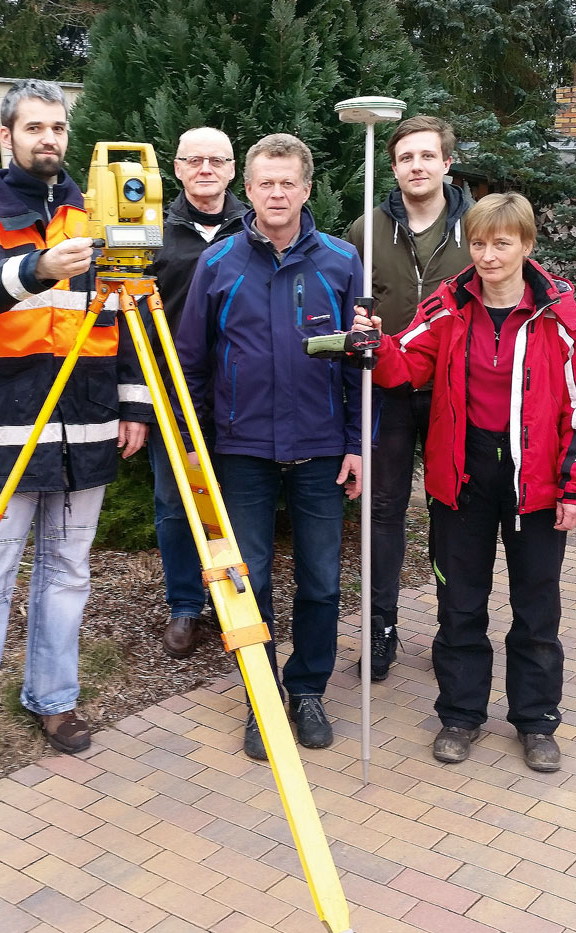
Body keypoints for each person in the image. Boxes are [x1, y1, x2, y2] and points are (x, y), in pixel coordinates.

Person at [0, 79, 153, 798]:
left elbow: (127, 317)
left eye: (57, 127)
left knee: (67, 578)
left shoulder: (94, 214)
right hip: (4, 432)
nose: (49, 139)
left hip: (84, 428)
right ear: (7, 136)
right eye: (34, 128)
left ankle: (53, 700)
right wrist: (36, 269)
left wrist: (135, 406)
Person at [354, 192, 576, 772]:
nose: (488, 256)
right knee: (460, 604)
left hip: (536, 485)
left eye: (502, 243)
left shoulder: (563, 318)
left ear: (526, 245)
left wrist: (575, 488)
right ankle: (460, 715)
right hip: (462, 478)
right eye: (478, 244)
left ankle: (537, 721)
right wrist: (373, 347)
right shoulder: (450, 306)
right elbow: (406, 363)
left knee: (536, 608)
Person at [177, 133, 363, 760]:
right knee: (247, 581)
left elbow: (358, 365)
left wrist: (357, 443)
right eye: (265, 183)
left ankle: (306, 691)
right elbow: (192, 364)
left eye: (289, 182)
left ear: (307, 189)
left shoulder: (340, 261)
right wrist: (198, 443)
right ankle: (262, 698)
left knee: (320, 581)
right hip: (242, 450)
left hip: (319, 448)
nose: (277, 193)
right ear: (247, 190)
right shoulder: (220, 262)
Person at [347, 116, 471, 680]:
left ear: (447, 163)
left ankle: (453, 630)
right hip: (388, 392)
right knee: (383, 510)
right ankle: (381, 628)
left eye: (427, 156)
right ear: (392, 167)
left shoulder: (477, 228)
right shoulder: (366, 230)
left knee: (453, 512)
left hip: (458, 395)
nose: (416, 167)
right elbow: (348, 301)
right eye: (405, 158)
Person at [149, 128, 247, 659]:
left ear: (232, 169)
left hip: (243, 395)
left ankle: (233, 598)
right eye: (195, 160)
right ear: (178, 168)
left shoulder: (254, 227)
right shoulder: (154, 235)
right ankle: (185, 605)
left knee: (239, 501)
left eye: (217, 159)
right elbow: (133, 319)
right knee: (174, 502)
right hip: (175, 394)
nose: (206, 168)